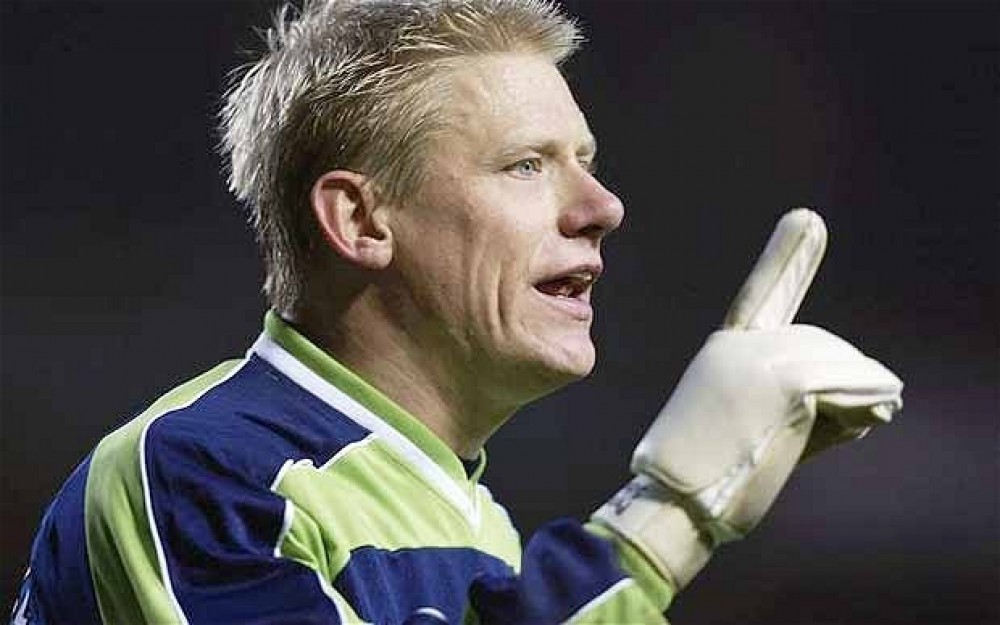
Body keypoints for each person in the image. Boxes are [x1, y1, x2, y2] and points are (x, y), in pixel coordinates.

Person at [11, 1, 903, 623]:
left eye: (587, 161)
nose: (602, 206)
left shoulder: (475, 523)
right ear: (361, 221)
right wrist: (666, 514)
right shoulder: (202, 473)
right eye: (527, 165)